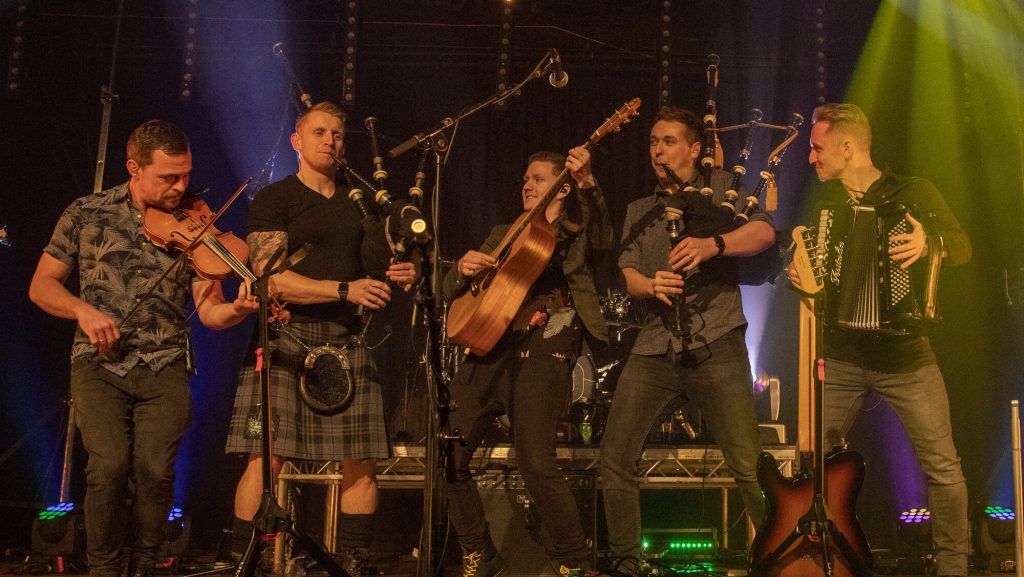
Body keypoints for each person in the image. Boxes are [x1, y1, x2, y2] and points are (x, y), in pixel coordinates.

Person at [28, 119, 261, 577]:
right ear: (134, 167)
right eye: (168, 177)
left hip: (165, 362)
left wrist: (235, 311)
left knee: (156, 470)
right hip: (100, 364)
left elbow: (209, 311)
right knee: (109, 468)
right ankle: (104, 568)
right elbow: (41, 286)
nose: (181, 188)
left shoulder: (194, 223)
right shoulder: (86, 212)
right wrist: (83, 311)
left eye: (186, 175)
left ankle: (148, 566)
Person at [224, 101, 417, 574]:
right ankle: (244, 564)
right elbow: (268, 277)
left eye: (337, 134)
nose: (330, 140)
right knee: (263, 459)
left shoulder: (361, 200)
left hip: (349, 338)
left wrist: (402, 273)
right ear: (297, 141)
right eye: (320, 132)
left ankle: (351, 565)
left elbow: (380, 270)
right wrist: (343, 288)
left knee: (362, 460)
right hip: (284, 337)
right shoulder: (276, 199)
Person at [789, 102, 971, 577]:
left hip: (906, 354)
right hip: (844, 354)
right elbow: (816, 276)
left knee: (943, 466)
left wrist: (930, 242)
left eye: (817, 148)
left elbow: (963, 244)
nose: (811, 158)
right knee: (810, 460)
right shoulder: (828, 204)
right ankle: (819, 556)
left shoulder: (914, 192)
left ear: (848, 148)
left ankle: (954, 567)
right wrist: (801, 275)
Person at [600, 106, 773, 575]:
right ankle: (625, 564)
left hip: (717, 339)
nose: (657, 150)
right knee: (615, 458)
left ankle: (782, 561)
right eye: (653, 141)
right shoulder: (640, 210)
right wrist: (649, 285)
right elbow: (627, 273)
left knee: (748, 465)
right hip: (655, 346)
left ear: (695, 149)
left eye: (669, 141)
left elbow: (763, 233)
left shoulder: (724, 191)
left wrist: (713, 245)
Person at [442, 148, 613, 577]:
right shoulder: (503, 231)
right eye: (525, 178)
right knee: (447, 452)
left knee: (536, 461)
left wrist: (589, 184)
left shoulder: (574, 235)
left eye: (537, 178)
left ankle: (572, 560)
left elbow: (604, 240)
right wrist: (461, 271)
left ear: (562, 187)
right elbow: (450, 293)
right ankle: (478, 549)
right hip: (487, 350)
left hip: (543, 347)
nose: (527, 184)